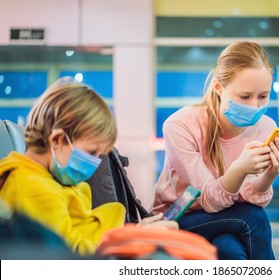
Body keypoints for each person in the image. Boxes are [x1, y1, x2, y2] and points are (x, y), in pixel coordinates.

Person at [0, 78, 177, 257]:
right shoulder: (33, 188)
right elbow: (67, 256)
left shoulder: (54, 181)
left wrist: (135, 232)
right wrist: (131, 239)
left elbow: (81, 232)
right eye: (91, 152)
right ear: (57, 140)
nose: (96, 162)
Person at [153, 41, 279, 260]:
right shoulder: (180, 126)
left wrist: (270, 174)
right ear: (218, 87)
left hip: (230, 218)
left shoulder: (266, 127)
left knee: (227, 247)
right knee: (252, 218)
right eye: (245, 96)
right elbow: (209, 200)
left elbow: (252, 197)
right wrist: (239, 169)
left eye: (263, 96)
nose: (255, 106)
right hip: (177, 219)